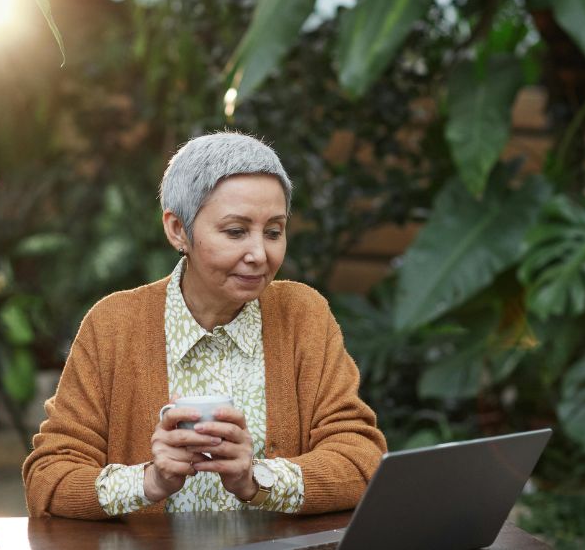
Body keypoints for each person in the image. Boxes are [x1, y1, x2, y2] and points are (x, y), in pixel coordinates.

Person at [23, 132, 386, 519]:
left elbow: (362, 460)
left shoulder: (303, 314)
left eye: (274, 232)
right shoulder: (113, 325)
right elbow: (49, 477)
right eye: (235, 232)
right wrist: (150, 482)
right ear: (178, 229)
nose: (259, 254)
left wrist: (256, 480)